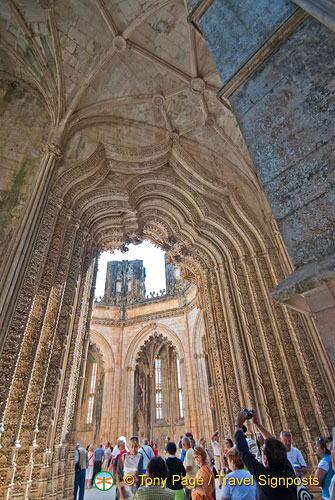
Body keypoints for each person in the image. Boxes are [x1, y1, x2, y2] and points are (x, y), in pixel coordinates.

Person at [235, 409, 297, 499]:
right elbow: (274, 443)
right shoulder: (288, 470)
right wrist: (257, 423)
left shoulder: (266, 478)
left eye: (263, 451)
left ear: (266, 460)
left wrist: (238, 424)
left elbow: (243, 451)